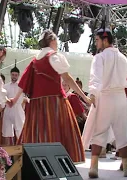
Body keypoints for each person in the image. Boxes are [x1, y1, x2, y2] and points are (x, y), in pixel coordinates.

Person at [10, 30, 90, 163]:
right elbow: (68, 79)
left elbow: (23, 83)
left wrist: (14, 99)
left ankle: (35, 162)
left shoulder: (34, 61)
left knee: (37, 132)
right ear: (52, 41)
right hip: (54, 102)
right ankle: (58, 161)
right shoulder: (54, 56)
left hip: (36, 105)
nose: (57, 44)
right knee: (57, 131)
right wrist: (85, 98)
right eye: (56, 41)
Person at [81, 27, 127, 178]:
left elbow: (96, 79)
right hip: (121, 98)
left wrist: (92, 95)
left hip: (105, 97)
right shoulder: (123, 58)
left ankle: (94, 167)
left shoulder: (99, 57)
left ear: (105, 40)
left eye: (97, 40)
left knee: (99, 131)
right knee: (122, 132)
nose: (96, 43)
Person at [2, 61, 25, 146]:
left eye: (16, 75)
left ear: (18, 75)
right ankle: (8, 154)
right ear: (10, 75)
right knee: (7, 130)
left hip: (17, 109)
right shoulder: (6, 86)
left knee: (19, 130)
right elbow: (2, 97)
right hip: (8, 108)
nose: (14, 76)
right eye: (13, 75)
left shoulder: (21, 86)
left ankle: (21, 150)